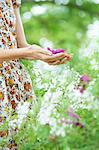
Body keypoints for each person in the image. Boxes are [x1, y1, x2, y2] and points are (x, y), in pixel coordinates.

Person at [0, 0, 72, 149]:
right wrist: (29, 51)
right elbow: (25, 50)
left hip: (13, 83)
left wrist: (42, 55)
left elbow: (19, 46)